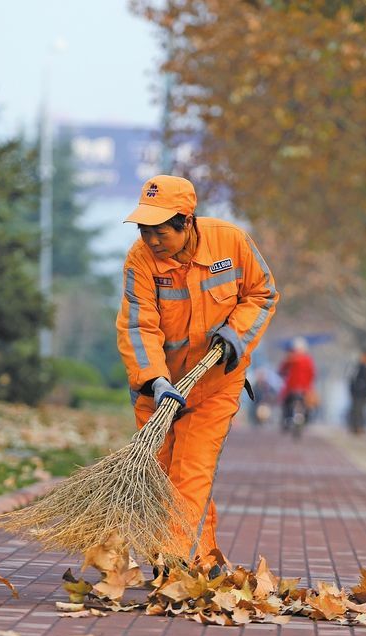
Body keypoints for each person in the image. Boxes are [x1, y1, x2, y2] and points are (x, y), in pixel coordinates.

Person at [116, 174, 278, 562]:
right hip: (158, 391)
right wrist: (155, 381)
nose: (152, 240)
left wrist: (235, 335)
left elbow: (263, 293)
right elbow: (138, 325)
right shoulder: (140, 260)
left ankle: (177, 563)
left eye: (160, 232)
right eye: (145, 230)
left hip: (214, 386)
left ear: (186, 222)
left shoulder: (231, 242)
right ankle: (194, 560)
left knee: (191, 473)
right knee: (158, 476)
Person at [278, 337, 316, 430]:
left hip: (292, 387)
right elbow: (313, 374)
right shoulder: (308, 359)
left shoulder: (291, 358)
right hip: (304, 388)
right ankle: (305, 419)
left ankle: (286, 420)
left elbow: (282, 369)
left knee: (286, 402)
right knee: (307, 405)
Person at [348, 350, 366, 434]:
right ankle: (356, 427)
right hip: (357, 393)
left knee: (360, 410)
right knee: (357, 410)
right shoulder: (358, 367)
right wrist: (354, 390)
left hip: (363, 393)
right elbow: (352, 379)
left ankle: (359, 426)